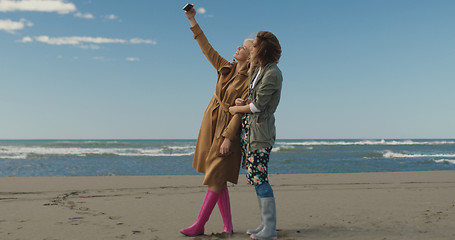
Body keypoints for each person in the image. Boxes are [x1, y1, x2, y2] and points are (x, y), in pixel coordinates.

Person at [180, 5, 254, 237]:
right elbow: (206, 48)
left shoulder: (251, 80)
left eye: (244, 46)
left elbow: (240, 112)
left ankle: (199, 224)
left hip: (227, 129)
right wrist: (192, 20)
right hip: (210, 123)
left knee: (216, 174)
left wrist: (228, 138)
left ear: (252, 55)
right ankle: (228, 226)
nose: (238, 46)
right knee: (217, 177)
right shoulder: (225, 68)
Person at [229, 31, 282, 240]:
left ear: (262, 49)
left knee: (260, 179)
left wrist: (236, 109)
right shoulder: (259, 70)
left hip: (260, 133)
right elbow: (253, 99)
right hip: (250, 133)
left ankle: (270, 228)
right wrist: (243, 102)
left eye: (254, 46)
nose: (250, 48)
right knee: (256, 179)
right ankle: (264, 225)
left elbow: (259, 105)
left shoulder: (273, 73)